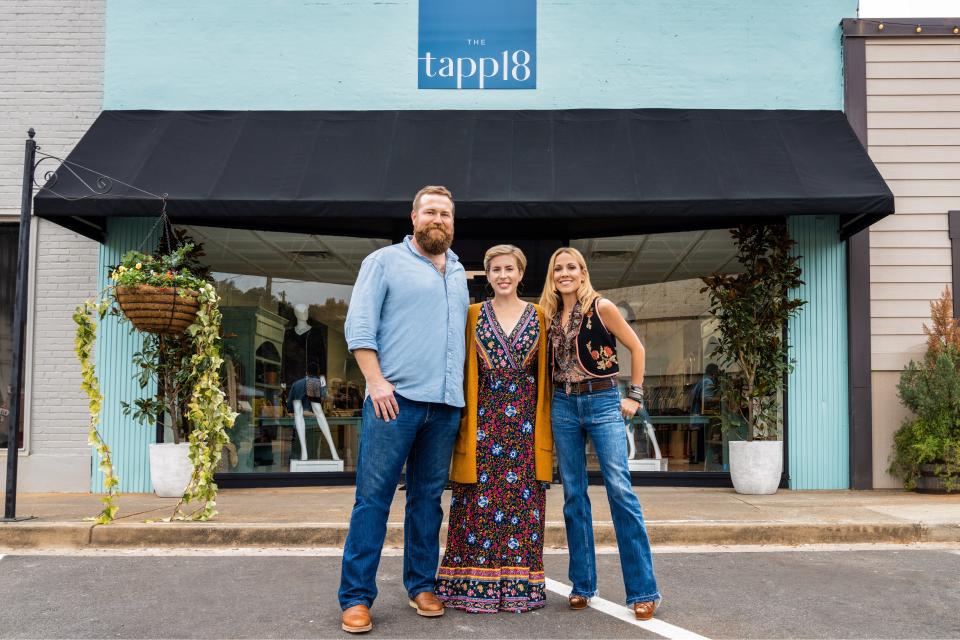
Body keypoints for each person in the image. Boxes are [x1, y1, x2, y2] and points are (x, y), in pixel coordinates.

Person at [338, 185, 470, 634]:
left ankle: (421, 586)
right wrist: (375, 383)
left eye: (446, 214)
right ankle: (356, 598)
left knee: (428, 503)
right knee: (372, 502)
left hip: (446, 407)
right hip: (393, 404)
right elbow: (359, 326)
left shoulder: (456, 271)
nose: (439, 219)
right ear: (413, 217)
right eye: (430, 211)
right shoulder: (383, 262)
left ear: (453, 222)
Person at [539, 247, 662, 621]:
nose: (565, 273)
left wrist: (635, 395)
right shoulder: (547, 314)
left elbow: (637, 348)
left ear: (582, 271)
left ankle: (643, 590)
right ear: (553, 274)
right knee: (574, 495)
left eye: (571, 267)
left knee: (619, 491)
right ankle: (582, 585)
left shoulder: (601, 307)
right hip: (563, 404)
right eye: (558, 267)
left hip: (602, 400)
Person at [435, 245, 553, 614]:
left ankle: (521, 589)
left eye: (510, 269)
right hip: (481, 424)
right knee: (475, 505)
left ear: (521, 274)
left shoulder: (540, 316)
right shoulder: (472, 315)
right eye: (496, 269)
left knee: (522, 507)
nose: (503, 275)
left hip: (523, 428)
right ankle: (470, 587)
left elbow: (547, 376)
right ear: (487, 275)